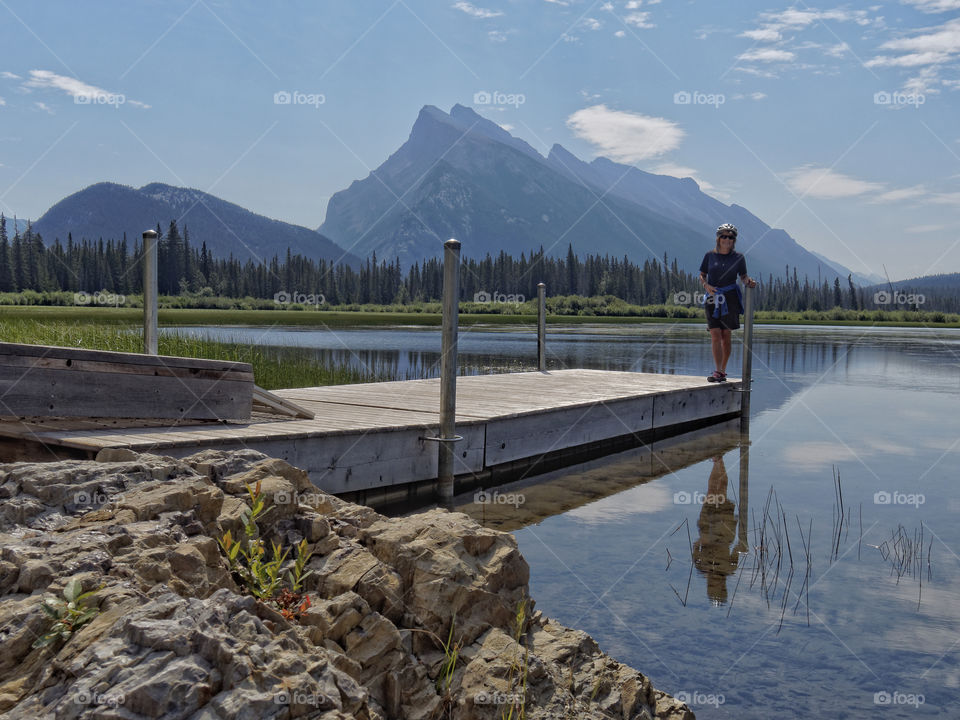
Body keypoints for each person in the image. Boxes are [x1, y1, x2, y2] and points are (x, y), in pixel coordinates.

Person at [699, 223, 756, 383]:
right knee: (715, 334)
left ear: (734, 240)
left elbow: (743, 276)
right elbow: (702, 274)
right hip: (712, 297)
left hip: (730, 299)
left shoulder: (739, 258)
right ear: (718, 238)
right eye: (723, 236)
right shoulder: (709, 256)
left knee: (726, 335)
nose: (727, 239)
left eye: (731, 237)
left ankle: (723, 370)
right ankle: (717, 371)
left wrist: (748, 281)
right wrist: (706, 285)